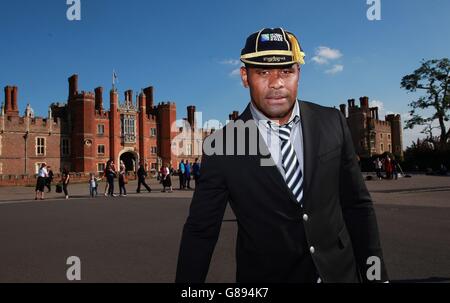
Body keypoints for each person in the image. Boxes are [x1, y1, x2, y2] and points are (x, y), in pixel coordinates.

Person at [176, 28, 388, 283]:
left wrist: (376, 277)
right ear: (245, 76)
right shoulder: (221, 145)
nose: (276, 82)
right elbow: (201, 232)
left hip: (341, 274)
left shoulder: (332, 121)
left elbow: (357, 205)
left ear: (299, 73)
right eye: (263, 72)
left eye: (286, 71)